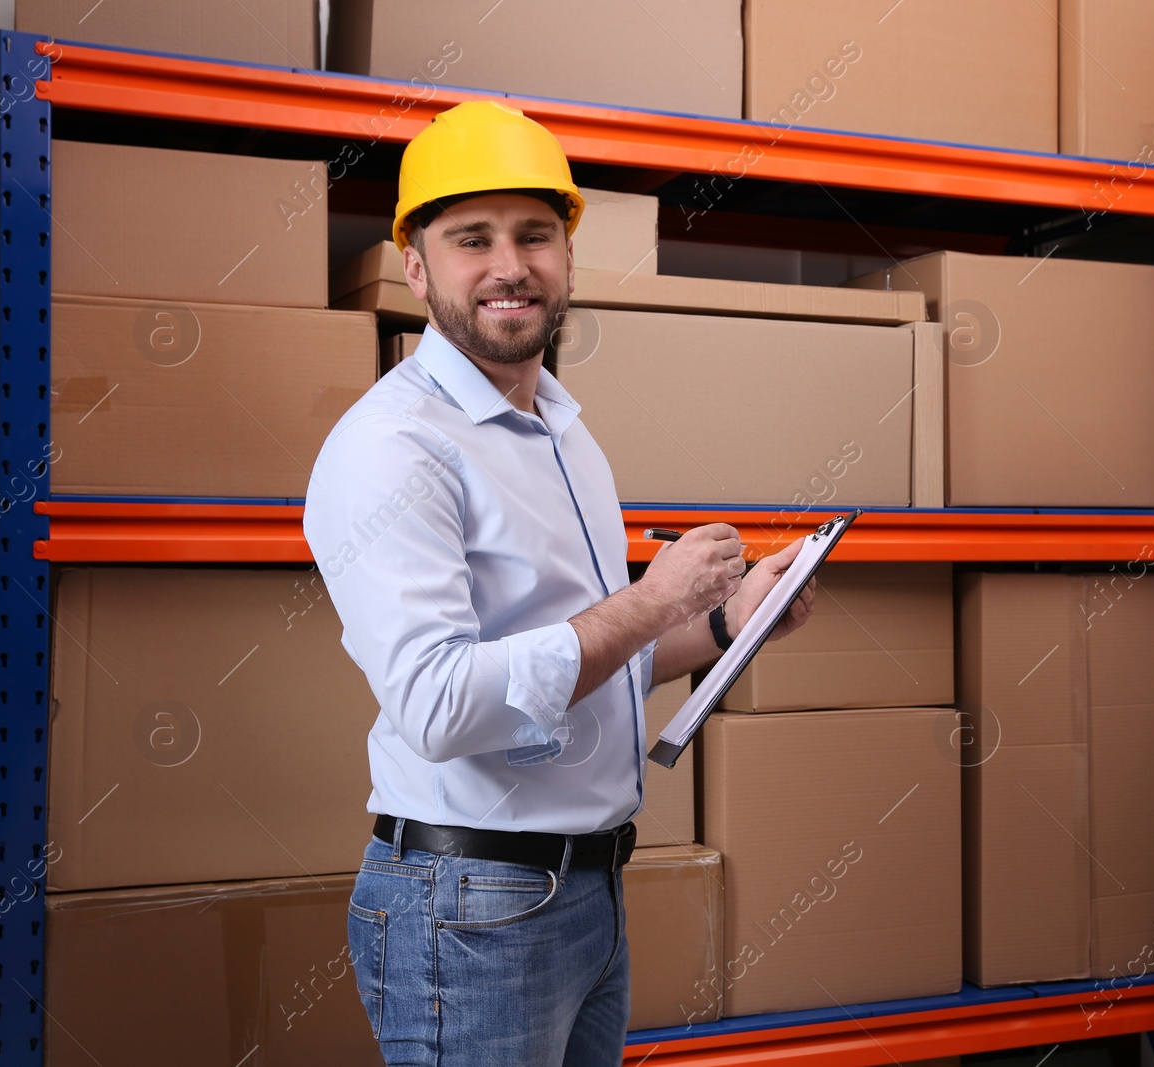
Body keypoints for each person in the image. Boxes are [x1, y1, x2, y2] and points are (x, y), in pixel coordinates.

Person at [303, 100, 815, 1067]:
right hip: (470, 909)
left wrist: (722, 622)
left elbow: (594, 662)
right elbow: (441, 706)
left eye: (535, 234)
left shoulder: (561, 431)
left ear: (568, 257)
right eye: (472, 239)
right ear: (415, 265)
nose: (510, 265)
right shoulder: (393, 449)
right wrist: (652, 597)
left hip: (585, 891)